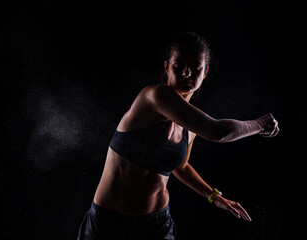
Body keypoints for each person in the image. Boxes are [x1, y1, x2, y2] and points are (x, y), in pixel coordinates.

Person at [77, 32, 279, 240]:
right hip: (110, 224)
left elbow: (180, 166)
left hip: (157, 226)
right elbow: (217, 131)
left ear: (205, 72)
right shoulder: (153, 97)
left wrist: (214, 196)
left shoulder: (190, 127)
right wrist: (260, 125)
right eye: (178, 65)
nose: (186, 72)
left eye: (195, 67)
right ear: (166, 67)